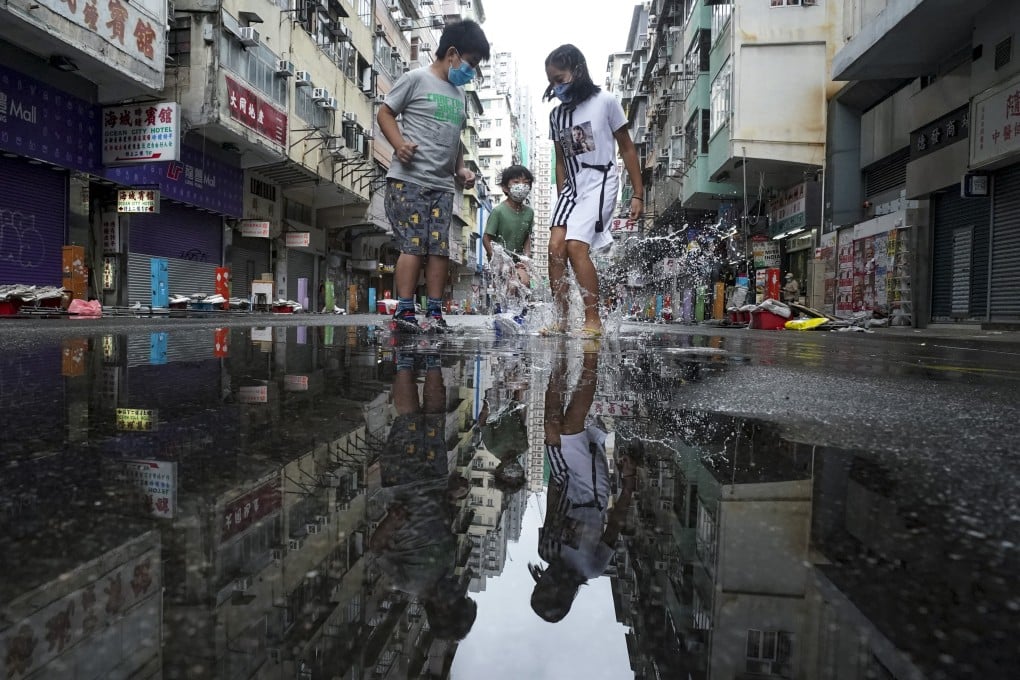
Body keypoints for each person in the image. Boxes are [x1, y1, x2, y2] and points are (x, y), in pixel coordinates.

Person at [377, 19, 491, 334]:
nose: (472, 70)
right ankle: (405, 310)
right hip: (408, 180)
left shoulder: (459, 95)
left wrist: (460, 169)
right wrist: (398, 145)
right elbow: (385, 112)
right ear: (452, 53)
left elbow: (454, 138)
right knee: (413, 245)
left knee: (439, 249)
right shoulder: (416, 79)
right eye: (471, 63)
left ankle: (436, 313)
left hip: (442, 186)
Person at [368, 348, 478, 640]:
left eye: (458, 600)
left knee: (409, 419)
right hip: (434, 478)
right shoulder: (446, 569)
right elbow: (442, 521)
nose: (459, 591)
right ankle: (432, 357)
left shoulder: (407, 582)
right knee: (435, 417)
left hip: (402, 482)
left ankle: (404, 357)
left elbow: (377, 548)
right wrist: (453, 494)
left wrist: (392, 521)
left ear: (440, 609)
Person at [529, 341, 639, 623]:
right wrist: (628, 482)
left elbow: (553, 507)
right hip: (592, 493)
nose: (546, 580)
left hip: (564, 481)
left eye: (541, 585)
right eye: (549, 588)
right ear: (564, 594)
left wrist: (556, 470)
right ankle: (592, 355)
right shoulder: (592, 567)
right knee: (567, 429)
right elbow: (613, 525)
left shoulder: (547, 552)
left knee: (552, 424)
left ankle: (560, 352)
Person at [543, 44, 644, 337]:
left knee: (576, 245)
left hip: (601, 179)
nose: (556, 87)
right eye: (551, 81)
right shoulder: (556, 116)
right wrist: (563, 195)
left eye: (560, 79)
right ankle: (561, 320)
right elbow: (561, 160)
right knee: (555, 248)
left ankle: (592, 320)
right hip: (572, 188)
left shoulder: (605, 101)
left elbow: (626, 146)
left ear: (577, 70)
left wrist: (637, 193)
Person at [483, 165, 535, 321]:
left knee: (525, 283)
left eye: (526, 182)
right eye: (516, 181)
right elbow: (486, 238)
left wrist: (526, 258)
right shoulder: (498, 211)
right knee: (510, 285)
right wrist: (496, 260)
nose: (522, 185)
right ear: (505, 187)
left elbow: (527, 237)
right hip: (500, 259)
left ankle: (520, 316)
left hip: (518, 260)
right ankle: (503, 316)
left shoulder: (529, 212)